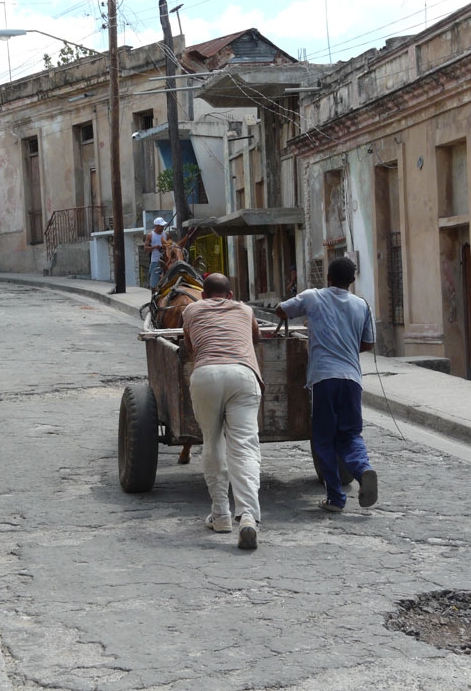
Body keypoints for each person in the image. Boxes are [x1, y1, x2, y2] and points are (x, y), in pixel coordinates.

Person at [275, 257, 377, 513]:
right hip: (352, 380)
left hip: (324, 378)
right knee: (351, 434)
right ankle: (363, 469)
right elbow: (368, 344)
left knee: (323, 438)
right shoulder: (361, 305)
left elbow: (280, 310)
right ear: (352, 282)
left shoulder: (312, 296)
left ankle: (335, 498)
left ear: (328, 278)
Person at [182, 273, 263, 550]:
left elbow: (190, 347)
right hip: (243, 374)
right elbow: (256, 338)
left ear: (203, 295)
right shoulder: (244, 309)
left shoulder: (191, 309)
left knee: (212, 441)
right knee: (245, 447)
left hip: (206, 374)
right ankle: (248, 516)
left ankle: (221, 515)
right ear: (230, 295)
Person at [144, 217, 169, 292]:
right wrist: (155, 247)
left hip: (165, 260)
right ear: (156, 226)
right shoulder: (150, 235)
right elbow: (145, 248)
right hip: (155, 260)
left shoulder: (166, 234)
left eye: (163, 226)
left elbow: (170, 244)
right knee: (153, 283)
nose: (163, 227)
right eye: (161, 226)